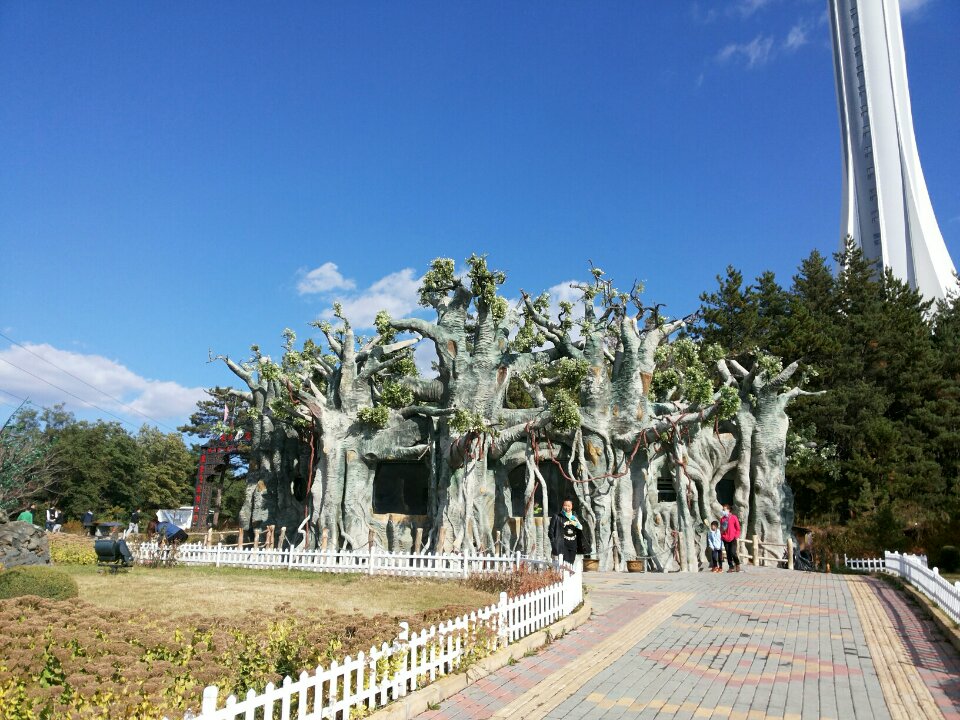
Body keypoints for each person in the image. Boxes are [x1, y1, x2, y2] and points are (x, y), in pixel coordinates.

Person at [548, 499, 589, 565]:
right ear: (562, 506)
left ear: (572, 506)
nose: (567, 507)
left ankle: (570, 575)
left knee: (571, 562)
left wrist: (575, 523)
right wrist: (554, 542)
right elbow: (551, 531)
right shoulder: (557, 517)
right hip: (562, 543)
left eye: (569, 506)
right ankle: (563, 575)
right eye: (565, 505)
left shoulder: (575, 517)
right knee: (565, 562)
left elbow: (581, 528)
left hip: (573, 543)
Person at [720, 504, 742, 573]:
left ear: (728, 510)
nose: (723, 511)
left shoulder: (733, 517)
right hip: (725, 538)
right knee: (728, 553)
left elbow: (738, 528)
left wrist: (736, 536)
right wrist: (722, 536)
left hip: (732, 538)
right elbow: (721, 528)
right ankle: (731, 567)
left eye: (724, 509)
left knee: (733, 552)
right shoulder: (722, 519)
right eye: (723, 510)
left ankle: (737, 564)